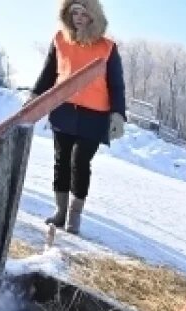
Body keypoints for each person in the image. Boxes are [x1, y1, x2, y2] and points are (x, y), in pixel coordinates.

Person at [30, 0, 126, 235]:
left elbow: (116, 84)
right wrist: (34, 97)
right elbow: (48, 73)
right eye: (74, 13)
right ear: (67, 15)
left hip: (94, 116)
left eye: (84, 13)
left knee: (80, 161)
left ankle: (74, 215)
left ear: (94, 16)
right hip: (63, 110)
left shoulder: (107, 47)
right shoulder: (60, 40)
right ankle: (60, 211)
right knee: (61, 161)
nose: (79, 18)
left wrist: (118, 114)